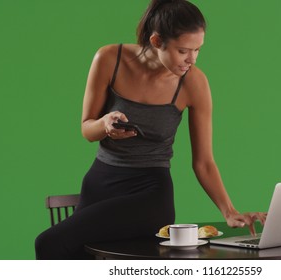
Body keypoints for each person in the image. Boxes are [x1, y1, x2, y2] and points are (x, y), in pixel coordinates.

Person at [35, 0, 266, 259]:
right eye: (183, 51)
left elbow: (203, 162)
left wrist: (228, 211)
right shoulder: (109, 59)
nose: (192, 59)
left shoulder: (194, 84)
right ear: (156, 41)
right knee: (81, 259)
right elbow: (87, 129)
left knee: (49, 242)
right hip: (99, 182)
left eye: (197, 50)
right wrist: (105, 124)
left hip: (149, 194)